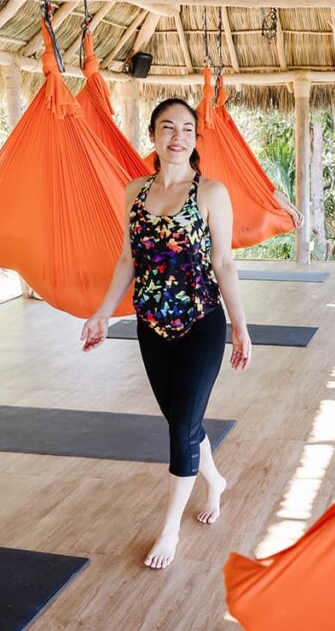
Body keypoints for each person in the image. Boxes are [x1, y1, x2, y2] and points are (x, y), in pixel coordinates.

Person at [81, 98, 252, 570]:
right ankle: (214, 481)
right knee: (184, 421)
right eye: (166, 127)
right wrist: (101, 313)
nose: (177, 136)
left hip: (201, 323)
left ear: (195, 139)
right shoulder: (134, 192)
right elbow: (127, 261)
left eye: (186, 129)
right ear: (154, 136)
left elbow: (225, 263)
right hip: (150, 327)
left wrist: (240, 326)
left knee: (180, 428)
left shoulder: (211, 193)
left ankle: (170, 528)